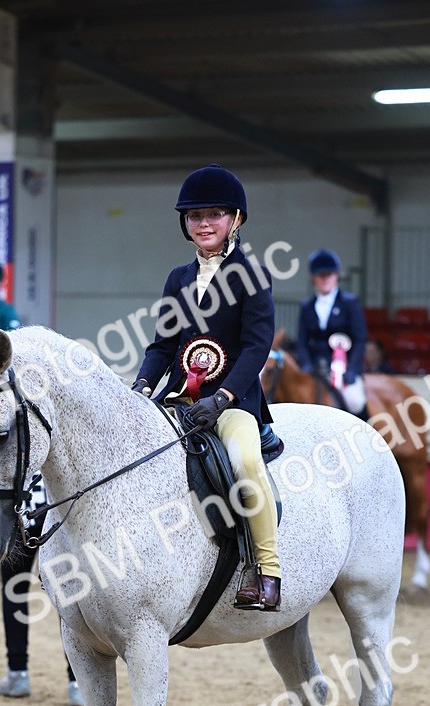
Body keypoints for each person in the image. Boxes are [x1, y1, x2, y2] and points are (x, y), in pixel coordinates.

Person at [131, 163, 281, 611]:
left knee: (245, 460)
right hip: (179, 399)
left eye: (214, 214)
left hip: (231, 402)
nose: (203, 224)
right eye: (195, 216)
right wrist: (140, 387)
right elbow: (162, 345)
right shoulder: (177, 278)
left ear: (235, 219)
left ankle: (267, 570)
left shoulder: (251, 274)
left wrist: (222, 398)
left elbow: (257, 347)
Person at [0, 491, 84, 706]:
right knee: (67, 595)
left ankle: (17, 673)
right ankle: (77, 683)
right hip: (55, 517)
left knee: (13, 593)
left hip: (21, 517)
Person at [296, 249, 368, 415]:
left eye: (329, 274)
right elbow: (302, 341)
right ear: (314, 278)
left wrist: (352, 370)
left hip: (343, 367)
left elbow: (360, 339)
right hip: (315, 368)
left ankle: (365, 435)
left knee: (355, 401)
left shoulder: (349, 302)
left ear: (336, 275)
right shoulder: (306, 306)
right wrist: (306, 365)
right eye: (321, 275)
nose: (325, 279)